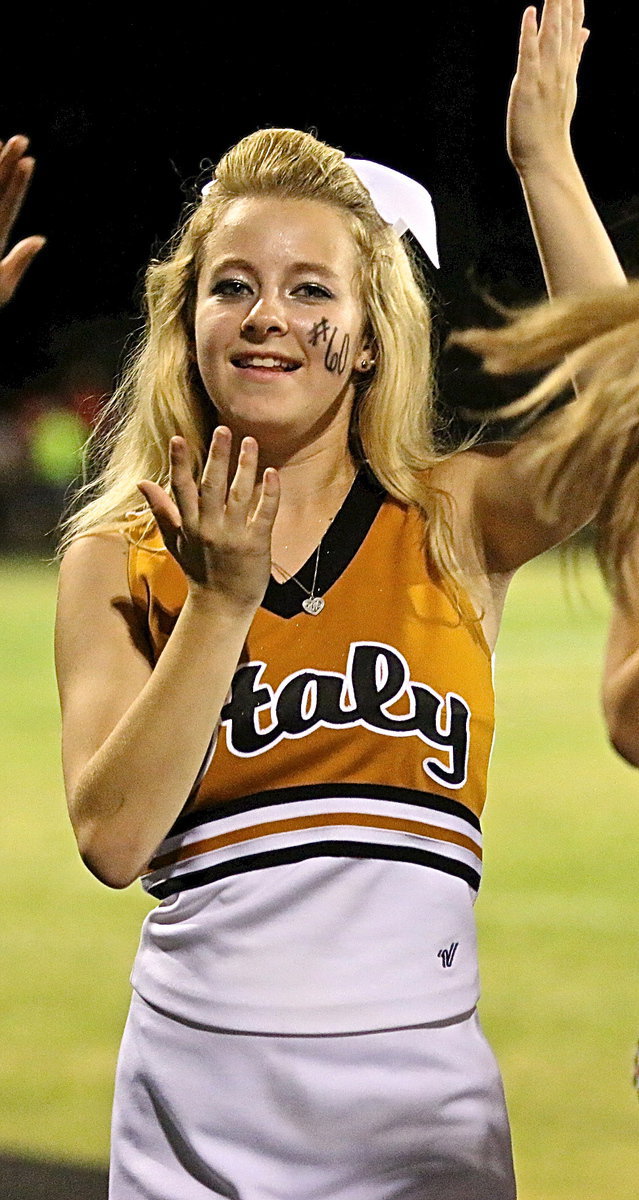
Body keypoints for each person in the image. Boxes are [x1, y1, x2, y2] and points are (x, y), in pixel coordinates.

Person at [47, 2, 627, 1197]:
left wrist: (544, 161)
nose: (270, 316)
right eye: (234, 287)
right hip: (194, 1107)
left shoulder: (453, 520)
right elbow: (112, 840)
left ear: (367, 336)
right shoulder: (118, 551)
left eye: (314, 290)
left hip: (422, 1105)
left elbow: (624, 412)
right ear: (188, 320)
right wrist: (221, 604)